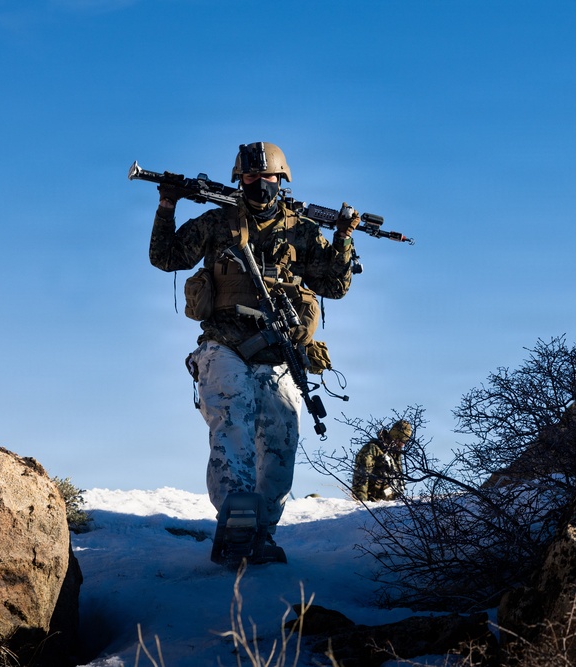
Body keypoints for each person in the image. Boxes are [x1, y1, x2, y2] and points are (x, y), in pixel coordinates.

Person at [148, 142, 359, 565]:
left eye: (268, 178)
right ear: (238, 179)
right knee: (232, 420)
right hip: (223, 342)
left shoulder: (300, 230)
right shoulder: (216, 221)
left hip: (278, 348)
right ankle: (236, 519)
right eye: (250, 177)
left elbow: (334, 285)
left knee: (281, 438)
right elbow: (166, 257)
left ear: (281, 181)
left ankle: (262, 531)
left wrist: (342, 237)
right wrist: (167, 205)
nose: (259, 184)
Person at [351, 420, 412, 502]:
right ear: (395, 437)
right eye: (401, 440)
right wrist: (362, 505)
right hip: (372, 503)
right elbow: (361, 479)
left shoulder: (395, 454)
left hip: (389, 506)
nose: (402, 445)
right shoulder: (373, 449)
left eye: (405, 442)